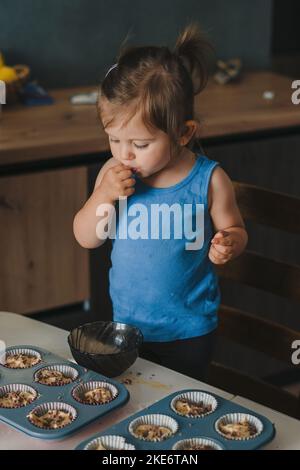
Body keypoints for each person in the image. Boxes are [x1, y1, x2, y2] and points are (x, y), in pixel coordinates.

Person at [73, 23, 248, 381]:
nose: (125, 153)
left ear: (183, 133)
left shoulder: (209, 180)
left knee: (180, 407)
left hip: (189, 331)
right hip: (127, 325)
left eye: (140, 144)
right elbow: (86, 237)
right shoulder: (114, 173)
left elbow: (235, 228)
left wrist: (229, 242)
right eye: (113, 139)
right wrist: (102, 194)